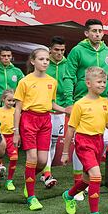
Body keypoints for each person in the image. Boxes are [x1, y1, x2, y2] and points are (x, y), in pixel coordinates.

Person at [61, 19, 108, 202]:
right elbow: (69, 76)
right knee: (80, 138)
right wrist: (69, 101)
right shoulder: (77, 51)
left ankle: (85, 179)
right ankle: (78, 183)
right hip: (81, 100)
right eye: (94, 31)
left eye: (100, 31)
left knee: (105, 139)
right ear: (86, 33)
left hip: (103, 102)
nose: (97, 34)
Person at [59, 67, 108, 214]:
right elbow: (71, 129)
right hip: (83, 142)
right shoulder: (80, 104)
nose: (102, 85)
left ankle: (69, 195)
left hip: (98, 142)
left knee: (88, 179)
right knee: (96, 176)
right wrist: (65, 152)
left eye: (104, 82)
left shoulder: (105, 102)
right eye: (99, 82)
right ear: (88, 83)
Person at [13, 48, 64, 211]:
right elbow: (17, 109)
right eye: (41, 59)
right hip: (29, 119)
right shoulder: (24, 81)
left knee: (42, 161)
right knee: (33, 158)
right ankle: (31, 196)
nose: (45, 62)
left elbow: (51, 104)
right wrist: (16, 132)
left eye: (47, 59)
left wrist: (66, 110)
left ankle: (29, 178)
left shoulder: (52, 81)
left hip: (45, 120)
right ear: (33, 61)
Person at [41, 36, 68, 189]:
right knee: (45, 142)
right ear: (50, 49)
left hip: (61, 109)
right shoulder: (44, 64)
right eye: (56, 50)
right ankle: (47, 174)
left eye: (62, 50)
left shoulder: (68, 64)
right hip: (44, 110)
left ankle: (46, 171)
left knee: (53, 142)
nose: (59, 53)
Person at [0, 89, 20, 191]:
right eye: (9, 100)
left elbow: (19, 125)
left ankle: (9, 181)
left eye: (13, 101)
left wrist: (18, 135)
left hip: (12, 137)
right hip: (1, 137)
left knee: (14, 158)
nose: (11, 103)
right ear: (3, 99)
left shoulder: (16, 111)